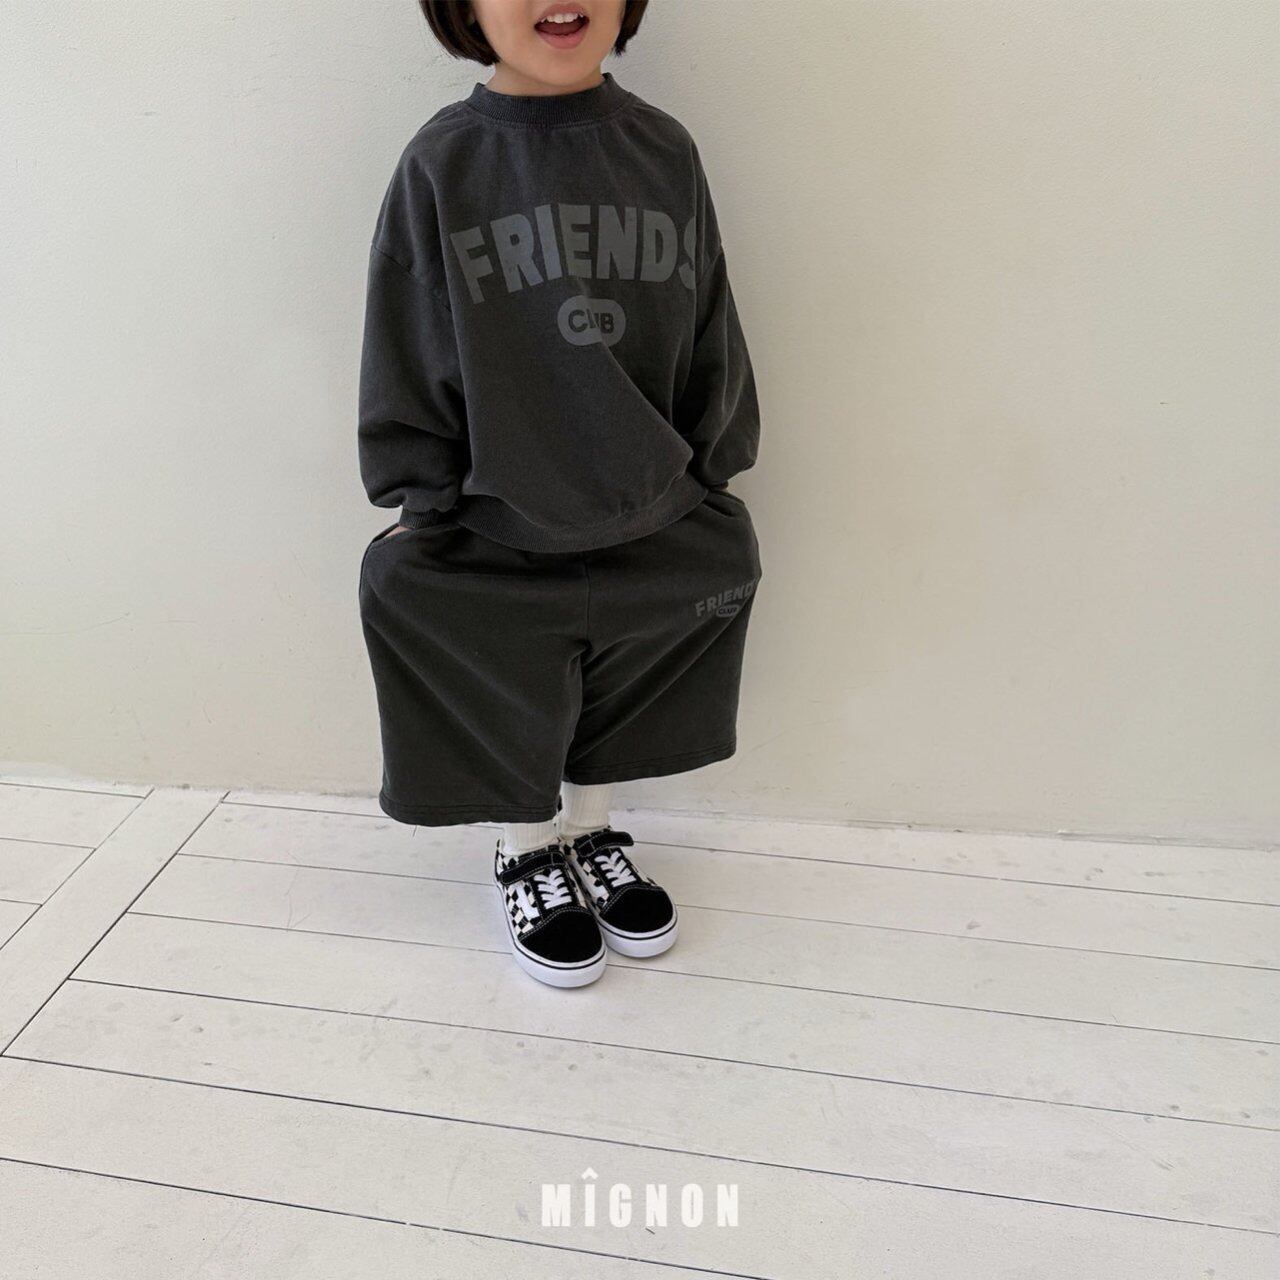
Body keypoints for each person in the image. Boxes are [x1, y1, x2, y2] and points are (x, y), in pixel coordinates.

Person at [356, 0, 763, 988]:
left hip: (649, 495)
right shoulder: (442, 164)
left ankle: (591, 830)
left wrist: (715, 458)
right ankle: (525, 845)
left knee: (649, 645)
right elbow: (406, 325)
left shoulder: (664, 150)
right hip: (498, 508)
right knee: (488, 662)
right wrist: (418, 488)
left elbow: (706, 308)